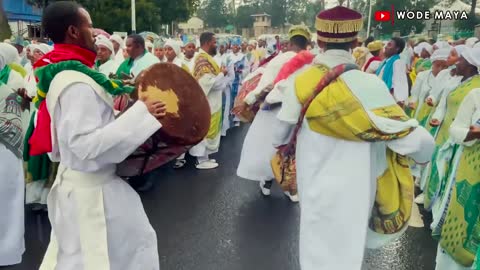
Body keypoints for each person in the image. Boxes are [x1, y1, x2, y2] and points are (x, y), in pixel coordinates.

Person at [273, 6, 435, 270]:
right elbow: (412, 137)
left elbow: (281, 132)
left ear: (320, 40)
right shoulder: (370, 84)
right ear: (357, 42)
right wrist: (423, 156)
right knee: (347, 250)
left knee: (314, 245)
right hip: (356, 187)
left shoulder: (301, 81)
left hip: (314, 182)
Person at [34, 2, 165, 269]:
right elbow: (84, 143)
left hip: (83, 185)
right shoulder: (76, 83)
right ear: (73, 31)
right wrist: (142, 112)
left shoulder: (63, 72)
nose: (95, 32)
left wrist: (123, 116)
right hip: (92, 193)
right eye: (89, 25)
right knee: (111, 256)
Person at [236, 25, 312, 203]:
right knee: (293, 149)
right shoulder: (312, 63)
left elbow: (265, 85)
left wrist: (249, 100)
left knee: (269, 149)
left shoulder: (279, 60)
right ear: (307, 42)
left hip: (274, 111)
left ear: (289, 42)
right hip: (300, 113)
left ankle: (267, 182)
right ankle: (290, 187)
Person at [423, 47, 480, 212]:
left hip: (463, 138)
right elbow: (444, 102)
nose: (457, 62)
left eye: (461, 59)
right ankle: (432, 201)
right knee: (437, 165)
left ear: (471, 64)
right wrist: (438, 117)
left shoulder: (475, 89)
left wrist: (468, 133)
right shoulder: (457, 81)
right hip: (446, 130)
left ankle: (440, 208)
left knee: (449, 172)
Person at [433, 86, 480, 270]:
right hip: (471, 173)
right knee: (462, 230)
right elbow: (456, 129)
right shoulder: (476, 95)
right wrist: (474, 133)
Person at [0, 46, 28, 267]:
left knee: (6, 204)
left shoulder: (7, 93)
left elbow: (14, 130)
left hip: (5, 157)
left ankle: (6, 251)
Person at [189, 32, 228, 170]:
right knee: (205, 129)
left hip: (212, 101)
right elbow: (208, 83)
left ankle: (205, 157)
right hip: (206, 102)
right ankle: (201, 160)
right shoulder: (202, 60)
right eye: (214, 42)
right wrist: (222, 73)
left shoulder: (206, 58)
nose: (215, 45)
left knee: (209, 128)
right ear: (206, 43)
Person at [377, 37, 409, 106]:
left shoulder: (397, 62)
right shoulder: (385, 62)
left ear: (397, 48)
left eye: (389, 45)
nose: (385, 47)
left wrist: (399, 100)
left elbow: (399, 83)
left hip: (388, 100)